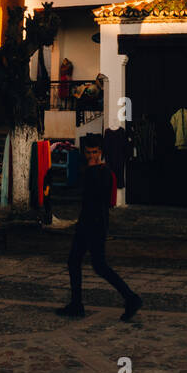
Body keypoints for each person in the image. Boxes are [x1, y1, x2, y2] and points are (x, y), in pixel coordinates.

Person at [57, 134, 142, 321]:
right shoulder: (88, 170)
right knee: (75, 262)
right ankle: (77, 304)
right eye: (88, 152)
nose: (91, 156)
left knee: (99, 265)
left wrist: (91, 171)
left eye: (94, 152)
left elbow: (99, 198)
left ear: (101, 152)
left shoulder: (102, 172)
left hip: (96, 224)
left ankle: (130, 298)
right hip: (86, 222)